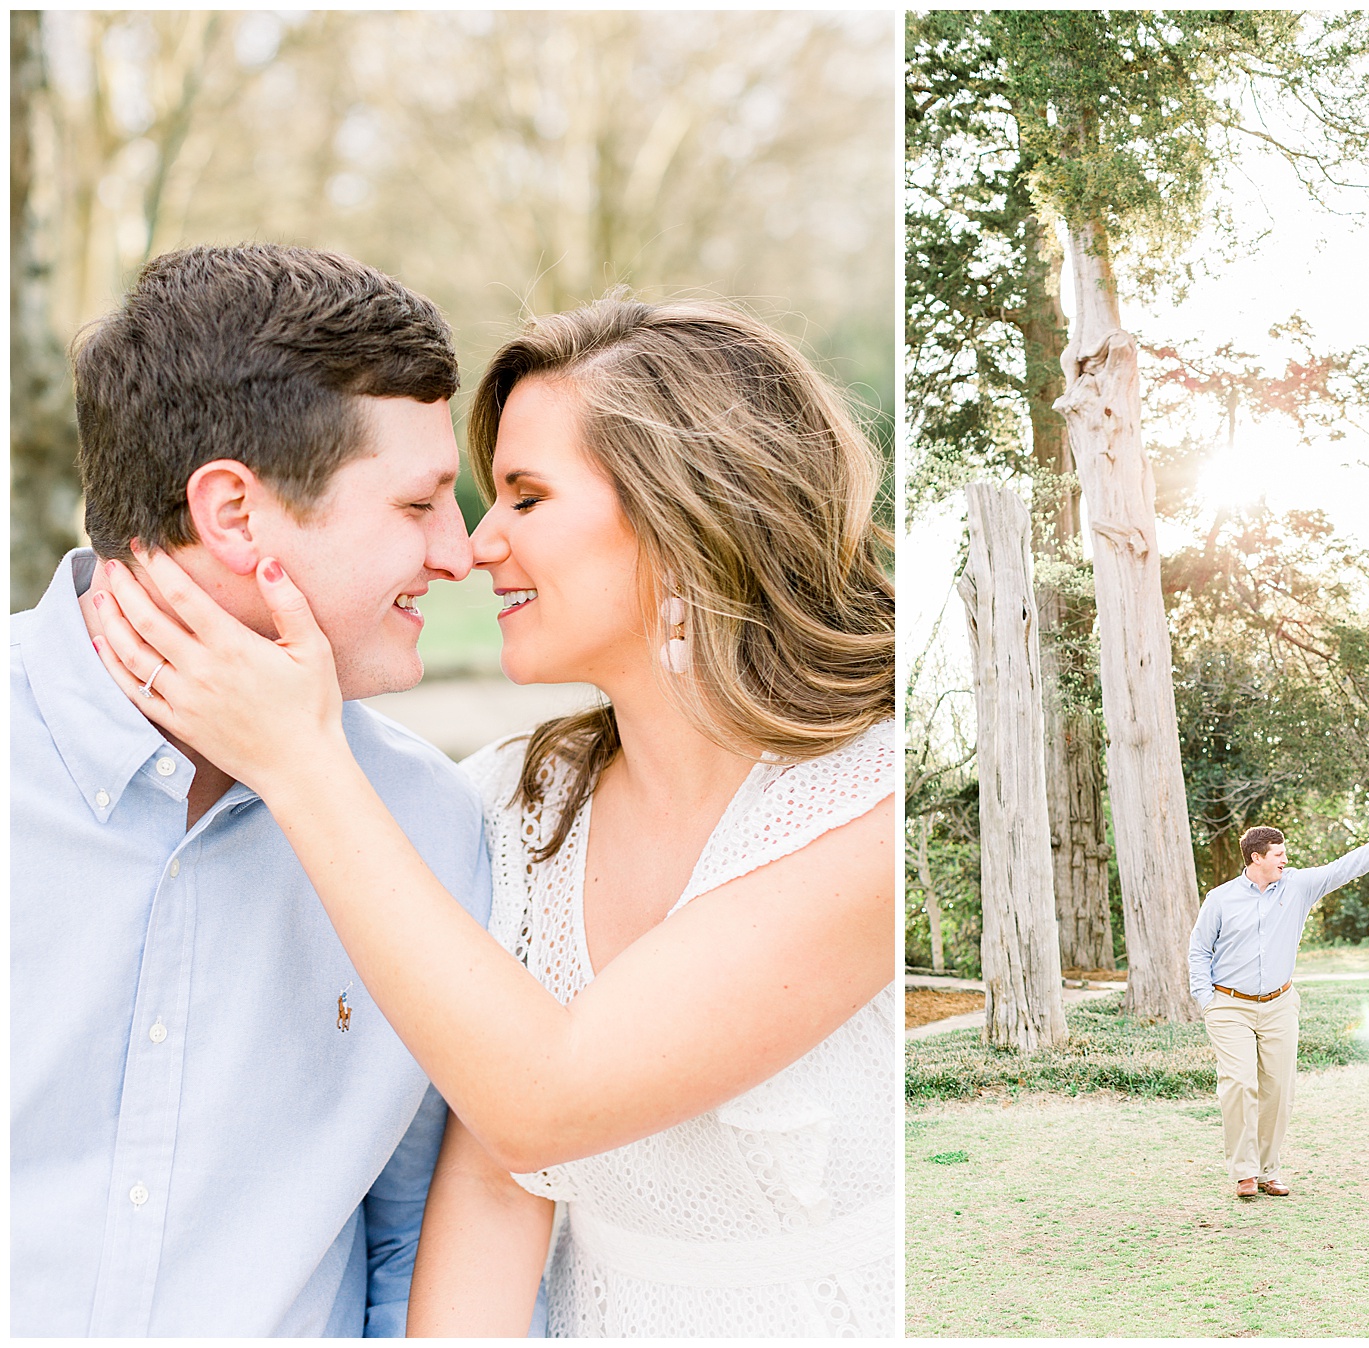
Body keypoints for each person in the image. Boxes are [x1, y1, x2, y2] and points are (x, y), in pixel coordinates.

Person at [91, 297, 898, 1336]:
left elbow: (548, 1100)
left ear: (684, 518)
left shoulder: (867, 806)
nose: (476, 546)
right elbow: (499, 1181)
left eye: (524, 497)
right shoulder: (512, 802)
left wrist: (299, 754)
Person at [11, 244, 491, 1335]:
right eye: (418, 504)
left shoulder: (429, 821)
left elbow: (414, 1238)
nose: (459, 551)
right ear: (233, 512)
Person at [1189, 820, 1369, 1199]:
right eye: (1278, 854)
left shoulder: (1297, 886)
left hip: (1280, 1004)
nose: (1285, 859)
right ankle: (1244, 1173)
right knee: (1240, 1084)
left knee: (1279, 1089)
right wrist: (1206, 1001)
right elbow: (1198, 950)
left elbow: (1347, 866)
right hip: (1229, 1004)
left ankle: (1268, 1170)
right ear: (1256, 858)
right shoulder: (1220, 899)